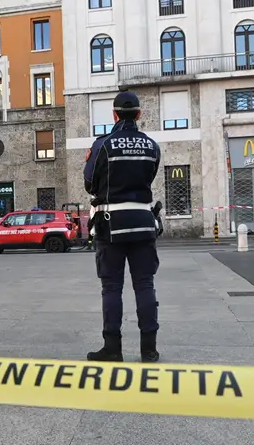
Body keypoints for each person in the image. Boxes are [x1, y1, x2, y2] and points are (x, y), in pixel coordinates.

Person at [83, 91, 162, 363]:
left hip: (111, 225)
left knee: (112, 288)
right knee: (145, 285)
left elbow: (90, 183)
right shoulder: (152, 146)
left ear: (114, 114)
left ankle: (112, 348)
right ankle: (149, 349)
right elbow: (149, 178)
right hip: (143, 223)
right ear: (139, 114)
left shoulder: (103, 145)